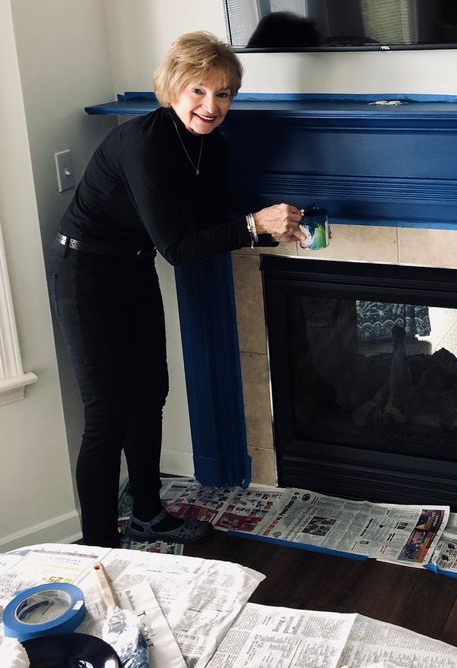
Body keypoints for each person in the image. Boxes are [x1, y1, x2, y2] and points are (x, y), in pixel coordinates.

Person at [48, 31, 303, 548]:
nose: (212, 106)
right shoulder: (144, 144)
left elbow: (209, 227)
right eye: (198, 92)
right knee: (105, 414)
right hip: (86, 271)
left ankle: (147, 514)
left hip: (133, 265)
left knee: (150, 395)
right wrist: (253, 225)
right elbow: (179, 248)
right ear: (172, 89)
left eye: (224, 94)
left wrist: (272, 233)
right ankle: (101, 548)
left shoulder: (213, 148)